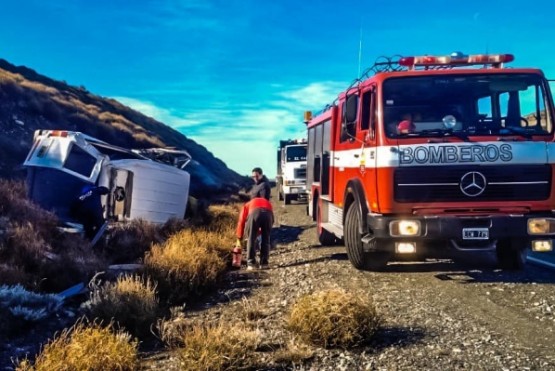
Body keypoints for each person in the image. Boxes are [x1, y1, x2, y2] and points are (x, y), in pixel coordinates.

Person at [235, 197, 274, 270]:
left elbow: (241, 222)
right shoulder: (267, 202)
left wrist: (239, 237)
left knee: (251, 238)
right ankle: (264, 263)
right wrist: (263, 232)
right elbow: (272, 220)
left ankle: (251, 263)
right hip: (268, 214)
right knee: (266, 239)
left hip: (255, 213)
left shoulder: (247, 205)